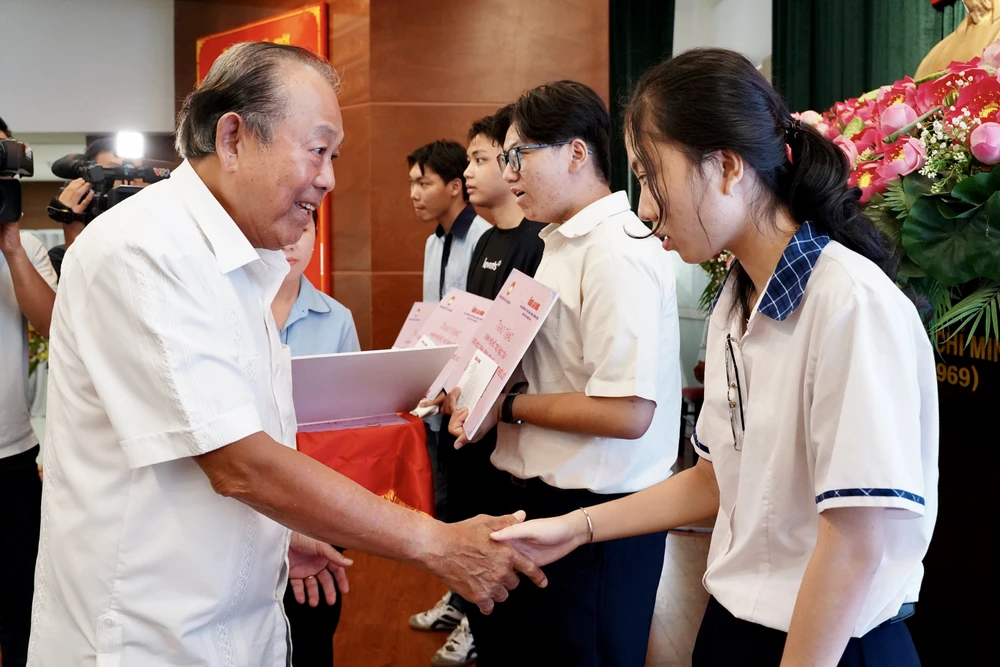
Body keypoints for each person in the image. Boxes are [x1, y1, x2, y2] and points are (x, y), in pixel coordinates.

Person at [26, 42, 546, 667]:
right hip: (148, 632)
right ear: (234, 137)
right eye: (317, 149)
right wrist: (435, 543)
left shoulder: (245, 259)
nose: (328, 177)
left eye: (335, 155)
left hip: (233, 618)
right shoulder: (144, 250)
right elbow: (238, 462)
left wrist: (277, 536)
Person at [490, 48, 939, 667]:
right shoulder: (736, 299)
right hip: (734, 626)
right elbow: (718, 478)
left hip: (829, 644)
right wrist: (578, 528)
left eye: (651, 178)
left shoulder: (849, 302)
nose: (645, 209)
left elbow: (856, 540)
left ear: (726, 165)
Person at [448, 80, 682, 667]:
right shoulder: (560, 242)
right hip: (540, 502)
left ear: (577, 153)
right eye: (502, 158)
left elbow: (626, 411)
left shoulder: (616, 251)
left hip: (597, 520)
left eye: (517, 155)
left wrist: (506, 407)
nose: (508, 173)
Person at [412, 108, 546, 667]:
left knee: (495, 539)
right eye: (469, 159)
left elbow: (524, 353)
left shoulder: (537, 244)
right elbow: (471, 331)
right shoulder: (489, 242)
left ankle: (481, 620)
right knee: (457, 514)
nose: (470, 171)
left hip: (504, 425)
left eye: (481, 158)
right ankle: (470, 612)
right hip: (466, 411)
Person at [272, 209, 359, 665]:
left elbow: (350, 424)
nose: (291, 242)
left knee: (312, 628)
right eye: (283, 228)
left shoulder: (336, 318)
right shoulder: (229, 312)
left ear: (315, 238)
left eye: (303, 230)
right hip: (250, 494)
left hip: (319, 495)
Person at [408, 139, 490, 524]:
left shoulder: (482, 238)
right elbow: (433, 320)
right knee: (437, 497)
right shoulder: (431, 242)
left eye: (424, 184)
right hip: (434, 390)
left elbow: (482, 323)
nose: (414, 194)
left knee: (466, 498)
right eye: (413, 183)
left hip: (468, 393)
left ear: (455, 187)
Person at [0, 118, 58, 667]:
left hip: (12, 460)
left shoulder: (27, 248)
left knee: (22, 610)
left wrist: (13, 247)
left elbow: (54, 327)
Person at [47, 137, 148, 278]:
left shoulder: (162, 245)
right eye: (114, 171)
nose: (130, 181)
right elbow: (80, 294)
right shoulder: (59, 257)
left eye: (137, 172)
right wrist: (72, 225)